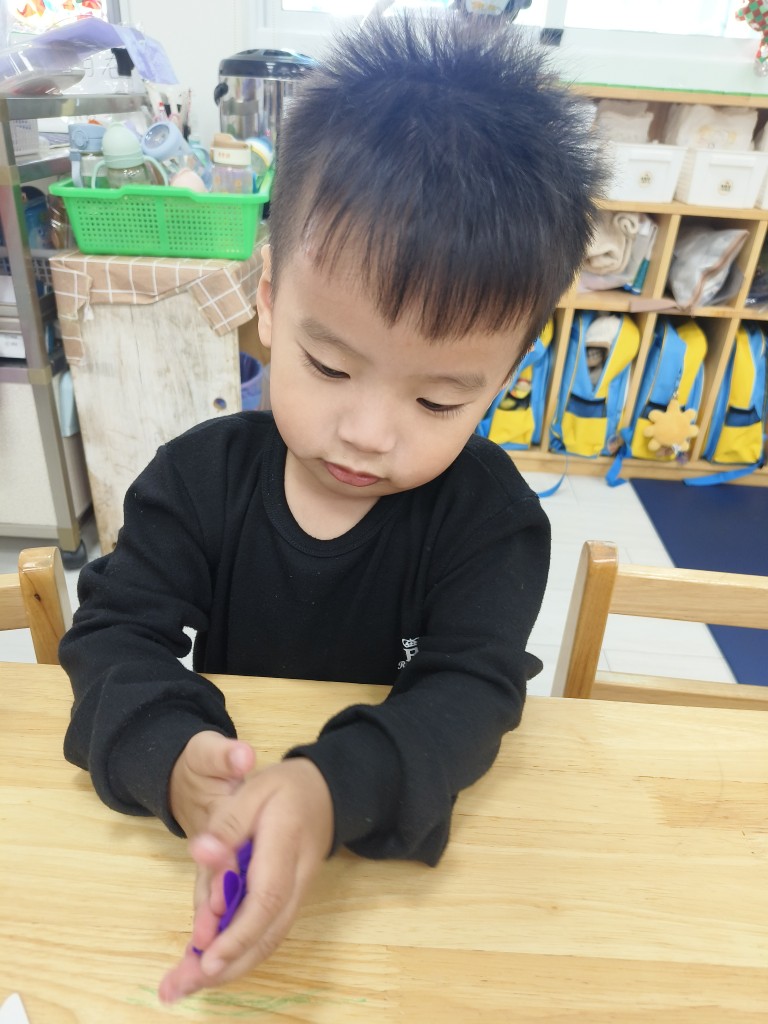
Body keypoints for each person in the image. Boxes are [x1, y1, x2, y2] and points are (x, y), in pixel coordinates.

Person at [60, 11, 603, 1004]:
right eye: (329, 365)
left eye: (439, 401)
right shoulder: (197, 479)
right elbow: (112, 634)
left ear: (505, 377)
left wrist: (325, 789)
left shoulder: (491, 524)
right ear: (269, 298)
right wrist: (173, 754)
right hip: (192, 843)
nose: (368, 433)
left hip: (408, 923)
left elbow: (468, 694)